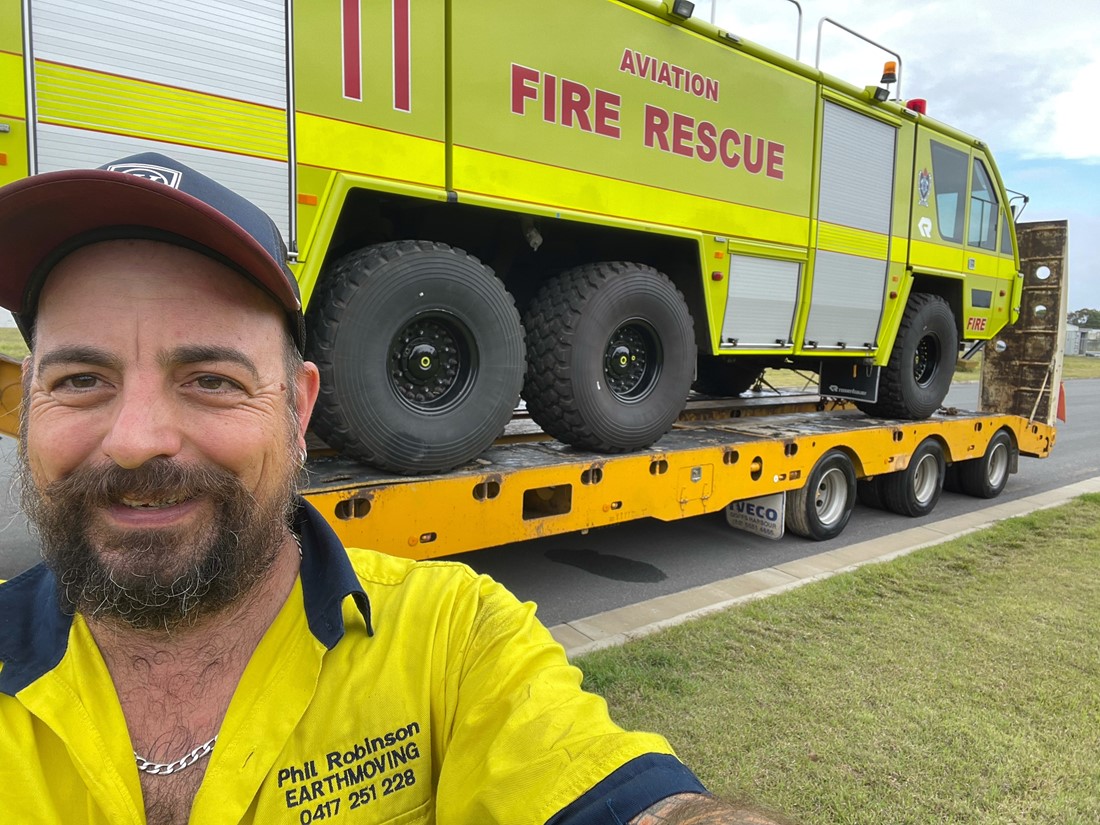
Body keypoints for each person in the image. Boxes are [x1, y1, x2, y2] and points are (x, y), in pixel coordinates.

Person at [0, 154, 784, 825]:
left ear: (298, 407)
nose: (136, 439)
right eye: (81, 379)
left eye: (209, 379)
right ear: (29, 397)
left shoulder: (453, 640)